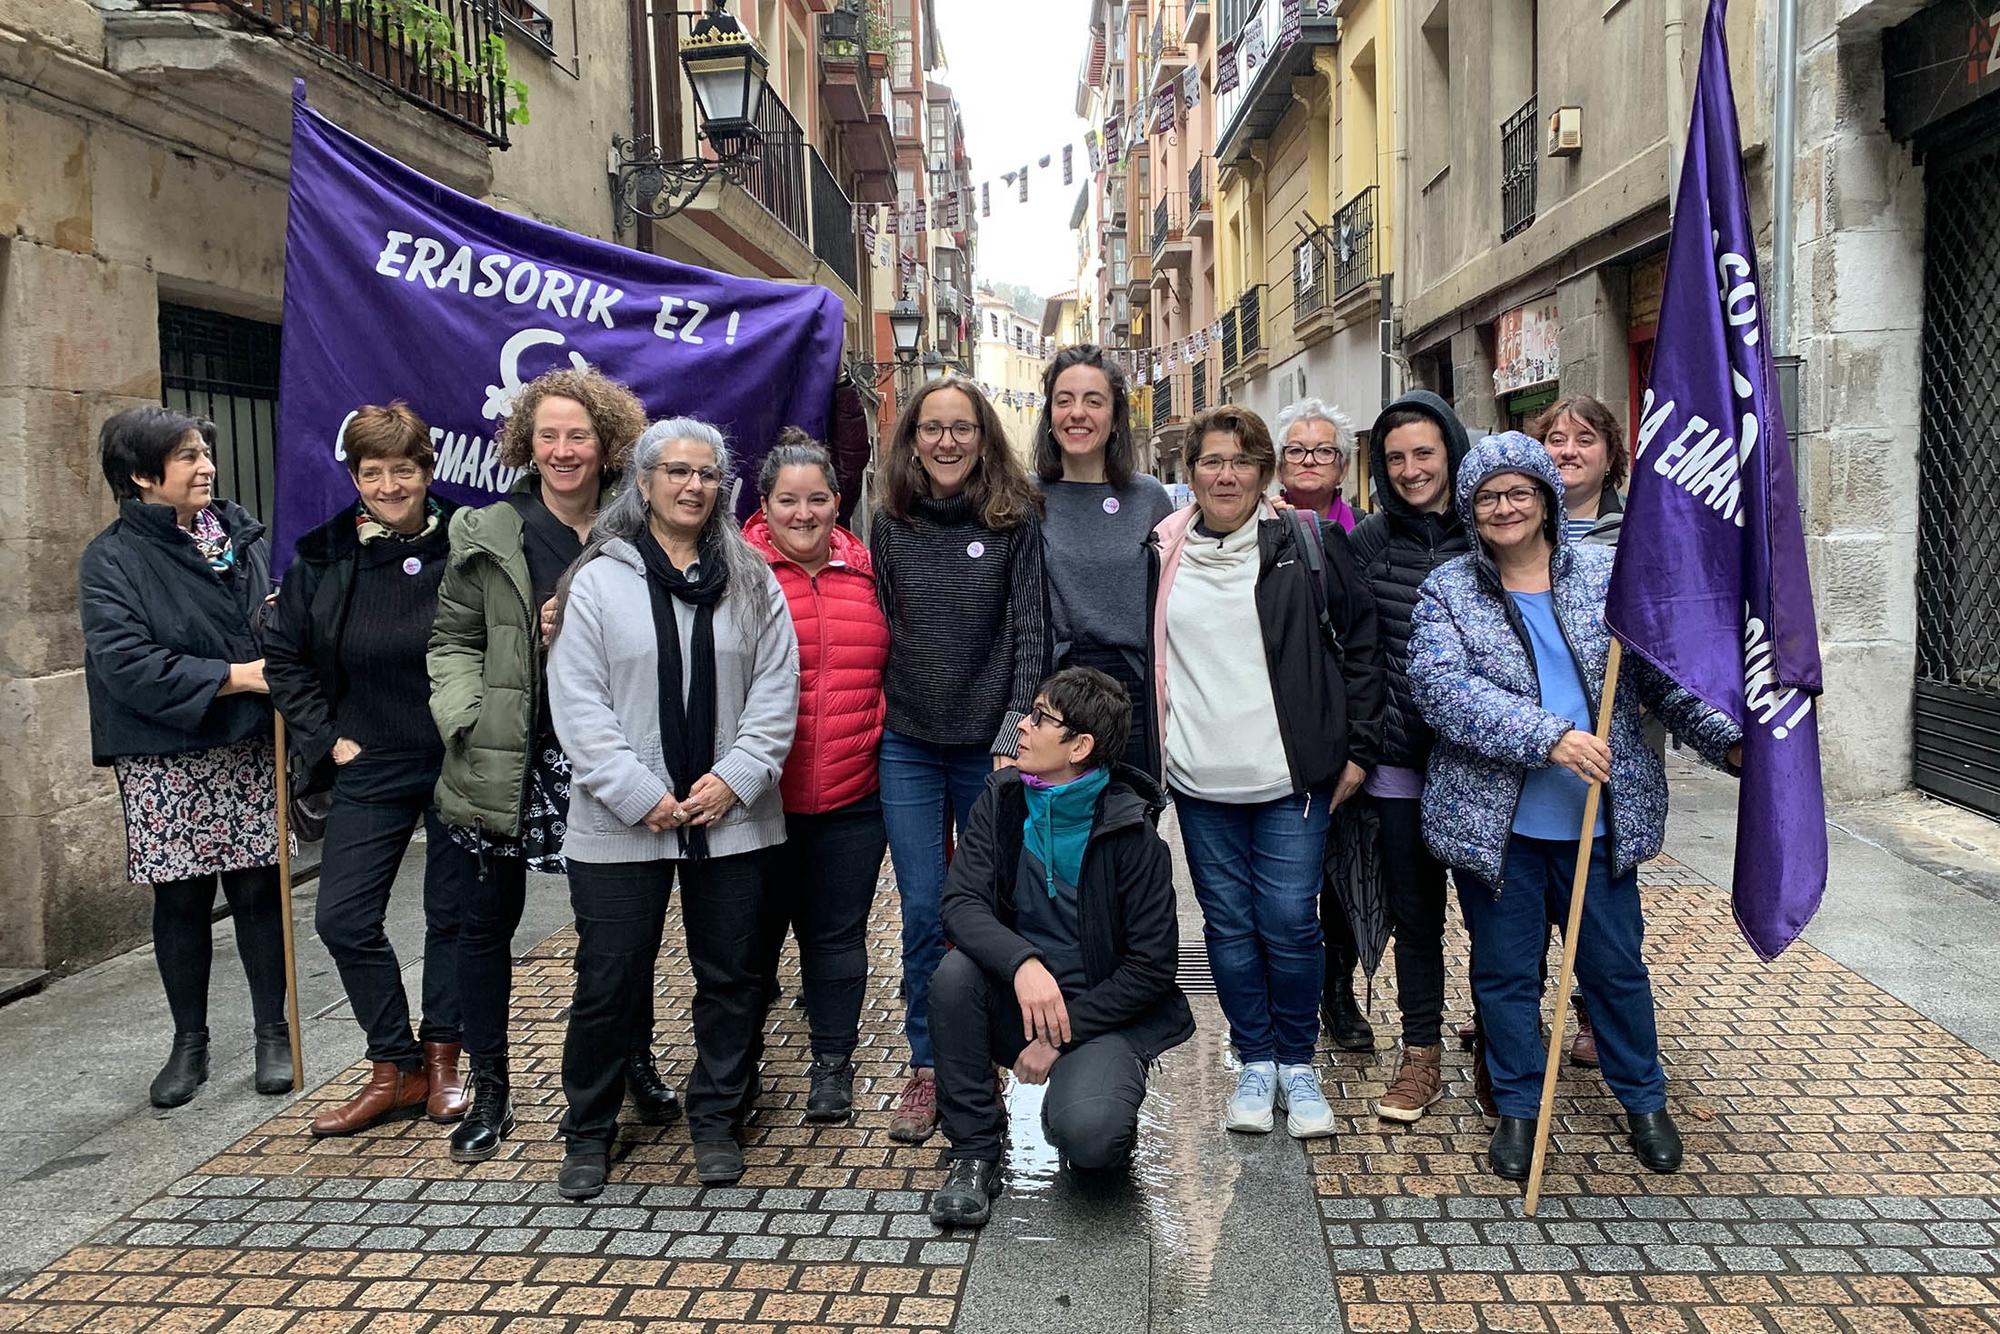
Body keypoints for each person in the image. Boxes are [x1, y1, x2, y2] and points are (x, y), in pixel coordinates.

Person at [1408, 431, 1741, 1181]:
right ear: (1469, 507)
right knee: (1505, 975)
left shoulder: (1606, 577)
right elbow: (1441, 690)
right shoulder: (1448, 590)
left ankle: (1644, 1099)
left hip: (1596, 824)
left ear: (1546, 499)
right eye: (1488, 496)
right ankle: (1521, 1109)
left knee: (1615, 969)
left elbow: (1661, 680)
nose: (1505, 507)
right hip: (1502, 832)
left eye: (1519, 491)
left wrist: (1728, 742)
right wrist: (1550, 735)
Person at [549, 418, 800, 1197]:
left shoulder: (754, 578)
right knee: (609, 980)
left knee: (733, 977)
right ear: (646, 483)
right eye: (677, 472)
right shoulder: (597, 580)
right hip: (620, 824)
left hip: (733, 821)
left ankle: (717, 1117)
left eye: (707, 474)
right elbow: (578, 698)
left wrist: (738, 776)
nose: (693, 486)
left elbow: (776, 691)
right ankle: (589, 1129)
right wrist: (636, 790)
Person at [427, 367, 659, 1165]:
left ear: (606, 445)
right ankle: (491, 1089)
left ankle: (631, 1062)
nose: (563, 451)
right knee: (483, 929)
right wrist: (466, 715)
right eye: (548, 436)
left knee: (616, 931)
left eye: (579, 436)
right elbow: (453, 637)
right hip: (506, 754)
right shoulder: (488, 528)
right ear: (526, 442)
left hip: (604, 754)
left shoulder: (638, 528)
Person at [1150, 404, 1382, 1138]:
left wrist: (1358, 750)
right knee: (1228, 925)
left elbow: (1366, 644)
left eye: (1242, 461)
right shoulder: (1161, 549)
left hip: (1292, 779)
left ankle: (1297, 1061)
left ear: (1263, 472)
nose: (1226, 474)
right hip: (1199, 780)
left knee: (1288, 922)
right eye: (1212, 461)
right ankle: (1254, 1059)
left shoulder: (1305, 540)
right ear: (1190, 474)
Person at [266, 403, 473, 1136]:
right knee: (344, 916)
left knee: (453, 914)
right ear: (354, 475)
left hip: (457, 758)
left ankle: (446, 1056)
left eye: (404, 468)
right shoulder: (323, 553)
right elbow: (286, 658)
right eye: (373, 471)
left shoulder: (469, 541)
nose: (390, 484)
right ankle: (397, 1066)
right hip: (371, 759)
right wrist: (328, 739)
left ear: (428, 469)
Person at [79, 406, 292, 1108]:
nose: (205, 468)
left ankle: (272, 1032)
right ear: (142, 475)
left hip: (249, 743)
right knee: (183, 896)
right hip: (167, 749)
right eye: (187, 457)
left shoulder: (236, 535)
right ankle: (189, 1043)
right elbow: (125, 662)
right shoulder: (112, 559)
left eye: (205, 453)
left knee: (261, 890)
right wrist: (238, 676)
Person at [927, 668, 1194, 1227]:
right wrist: (1020, 962)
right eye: (1031, 712)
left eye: (1041, 718)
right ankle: (974, 1152)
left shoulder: (1132, 834)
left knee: (1094, 1143)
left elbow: (1151, 969)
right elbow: (961, 904)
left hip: (1100, 1017)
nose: (1022, 727)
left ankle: (1085, 1103)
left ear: (1080, 746)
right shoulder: (1001, 802)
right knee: (954, 975)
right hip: (1017, 999)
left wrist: (1059, 1033)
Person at [869, 375, 1049, 1145]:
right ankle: (928, 1064)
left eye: (963, 428)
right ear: (912, 439)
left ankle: (982, 1059)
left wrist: (1013, 737)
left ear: (984, 438)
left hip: (988, 751)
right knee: (919, 909)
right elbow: (874, 626)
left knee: (984, 910)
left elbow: (1033, 633)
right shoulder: (888, 521)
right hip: (907, 743)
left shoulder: (1017, 519)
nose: (947, 442)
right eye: (932, 428)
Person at [742, 429, 890, 1124]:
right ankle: (735, 1072)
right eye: (788, 500)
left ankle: (832, 1065)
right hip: (755, 802)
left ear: (838, 501)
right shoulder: (734, 574)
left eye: (818, 499)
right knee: (748, 942)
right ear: (764, 505)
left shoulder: (868, 572)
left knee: (837, 940)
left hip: (852, 796)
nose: (804, 514)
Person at [1033, 345, 1174, 776]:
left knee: (1129, 830)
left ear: (1114, 418)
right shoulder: (1024, 498)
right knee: (1057, 834)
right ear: (1050, 416)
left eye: (1093, 401)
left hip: (1131, 693)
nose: (1078, 413)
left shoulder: (1148, 497)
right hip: (1052, 694)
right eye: (1064, 400)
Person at [1531, 394, 1628, 545]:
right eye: (1557, 440)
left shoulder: (1635, 525)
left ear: (1610, 457)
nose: (1568, 452)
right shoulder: (1513, 521)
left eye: (1584, 441)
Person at [1274, 398, 1360, 531]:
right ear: (1279, 469)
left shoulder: (1367, 533)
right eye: (1296, 450)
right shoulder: (1262, 525)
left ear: (1343, 469)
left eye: (1324, 451)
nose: (1309, 461)